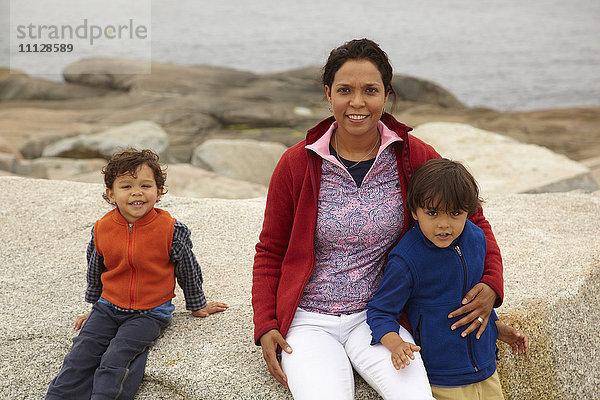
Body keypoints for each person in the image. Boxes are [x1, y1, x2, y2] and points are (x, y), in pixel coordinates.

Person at [252, 38, 504, 399]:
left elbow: (472, 215)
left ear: (386, 95)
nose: (357, 102)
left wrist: (493, 283)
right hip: (308, 322)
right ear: (328, 94)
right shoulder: (297, 163)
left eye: (370, 90)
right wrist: (266, 324)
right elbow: (270, 250)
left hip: (379, 316)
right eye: (345, 90)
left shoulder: (411, 153)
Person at [46, 148, 228, 400]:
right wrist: (94, 306)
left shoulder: (171, 230)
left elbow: (188, 269)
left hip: (150, 312)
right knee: (80, 355)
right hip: (108, 307)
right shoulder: (102, 229)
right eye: (126, 186)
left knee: (116, 358)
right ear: (110, 194)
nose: (136, 192)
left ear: (159, 191)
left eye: (146, 185)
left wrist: (197, 305)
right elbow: (96, 269)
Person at [367, 158, 528, 400]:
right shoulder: (406, 259)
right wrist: (395, 344)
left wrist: (497, 328)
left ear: (468, 211)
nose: (444, 225)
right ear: (414, 211)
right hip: (442, 379)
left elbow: (473, 298)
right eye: (432, 213)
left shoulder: (475, 239)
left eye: (455, 213)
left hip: (486, 370)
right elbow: (379, 312)